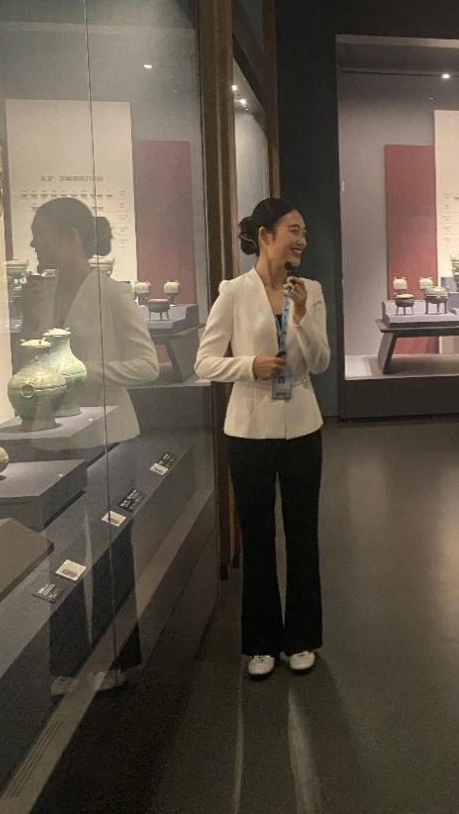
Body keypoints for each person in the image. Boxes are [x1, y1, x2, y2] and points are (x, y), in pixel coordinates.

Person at [195, 198, 330, 680]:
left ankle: (302, 638)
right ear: (265, 235)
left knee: (303, 533)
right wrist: (248, 366)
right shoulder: (233, 292)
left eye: (304, 232)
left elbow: (320, 362)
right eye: (294, 230)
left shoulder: (309, 290)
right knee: (256, 536)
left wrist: (302, 316)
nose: (301, 240)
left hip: (302, 426)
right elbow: (204, 362)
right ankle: (261, 643)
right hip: (249, 431)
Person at [25, 197, 159, 445]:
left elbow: (147, 366)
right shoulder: (42, 295)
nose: (33, 243)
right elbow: (29, 364)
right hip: (49, 435)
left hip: (104, 436)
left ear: (70, 236)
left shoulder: (112, 294)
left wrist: (81, 372)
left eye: (40, 233)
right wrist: (28, 318)